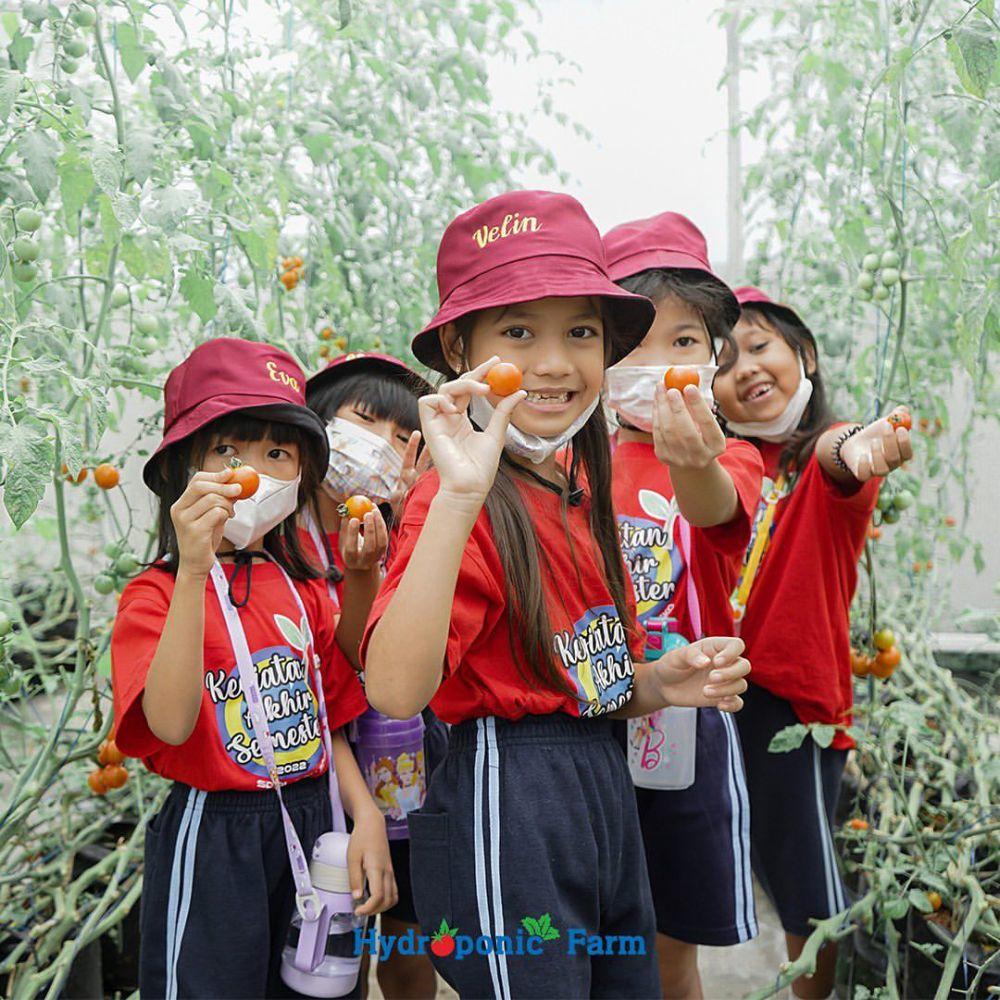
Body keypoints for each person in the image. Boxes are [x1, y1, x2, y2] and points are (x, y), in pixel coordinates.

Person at [361, 190, 751, 999]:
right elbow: (397, 688)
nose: (552, 360)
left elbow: (573, 683)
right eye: (517, 331)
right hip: (508, 799)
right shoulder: (459, 498)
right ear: (459, 347)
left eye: (580, 331)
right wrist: (459, 494)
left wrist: (653, 684)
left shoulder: (576, 485)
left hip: (599, 789)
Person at [111, 338, 396, 999]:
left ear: (301, 477)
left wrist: (367, 817)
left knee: (320, 986)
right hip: (216, 835)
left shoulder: (298, 586)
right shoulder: (154, 595)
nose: (253, 472)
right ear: (188, 465)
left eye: (277, 453)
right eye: (229, 450)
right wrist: (191, 570)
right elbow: (172, 725)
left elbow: (329, 712)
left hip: (315, 820)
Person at [713, 286, 914, 999]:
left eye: (760, 346)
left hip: (792, 703)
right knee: (761, 869)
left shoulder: (822, 464)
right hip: (716, 696)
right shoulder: (726, 470)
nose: (744, 369)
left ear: (807, 355)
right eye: (724, 360)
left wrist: (853, 448)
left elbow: (842, 457)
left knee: (806, 887)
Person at [602, 212, 764, 999]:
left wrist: (690, 461)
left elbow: (713, 506)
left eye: (685, 342)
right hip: (593, 725)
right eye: (635, 342)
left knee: (672, 955)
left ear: (712, 356)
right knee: (596, 941)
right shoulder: (572, 462)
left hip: (691, 724)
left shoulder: (729, 454)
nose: (660, 364)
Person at [303, 350, 444, 999]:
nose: (383, 447)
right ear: (318, 424)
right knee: (339, 955)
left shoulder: (414, 534)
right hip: (339, 794)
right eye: (366, 422)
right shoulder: (285, 546)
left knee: (413, 951)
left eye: (401, 436)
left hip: (416, 789)